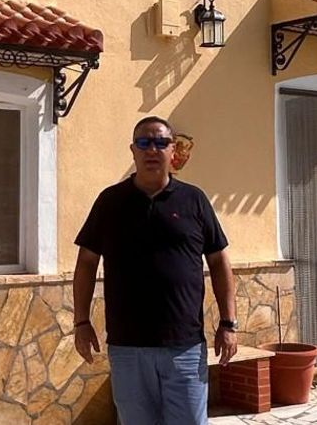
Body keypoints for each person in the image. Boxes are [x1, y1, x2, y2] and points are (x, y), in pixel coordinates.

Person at [72, 116, 238, 425]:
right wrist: (81, 321)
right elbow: (86, 262)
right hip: (127, 348)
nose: (152, 149)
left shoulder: (194, 200)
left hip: (184, 347)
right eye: (144, 142)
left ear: (173, 151)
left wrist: (228, 324)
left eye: (161, 142)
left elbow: (218, 261)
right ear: (132, 150)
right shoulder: (110, 202)